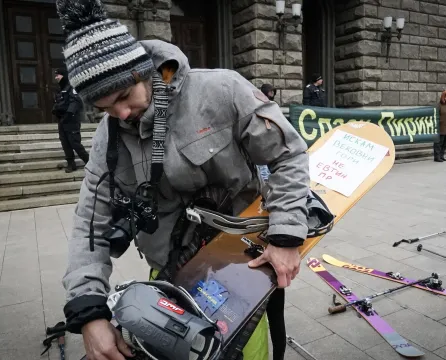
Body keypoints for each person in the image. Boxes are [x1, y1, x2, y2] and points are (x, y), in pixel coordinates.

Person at [54, 1, 310, 360]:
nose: (122, 114)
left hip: (241, 265)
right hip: (170, 270)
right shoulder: (106, 140)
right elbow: (89, 225)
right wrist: (89, 312)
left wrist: (286, 235)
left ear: (141, 71)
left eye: (125, 97)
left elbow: (288, 154)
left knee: (245, 354)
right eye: (106, 108)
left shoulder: (221, 91)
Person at [52, 68, 90, 172]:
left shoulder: (71, 88)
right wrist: (55, 110)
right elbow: (59, 103)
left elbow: (75, 102)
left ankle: (90, 163)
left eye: (58, 75)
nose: (56, 78)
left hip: (71, 120)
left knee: (75, 143)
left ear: (63, 75)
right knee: (65, 143)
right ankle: (71, 164)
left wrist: (68, 114)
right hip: (62, 120)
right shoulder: (60, 89)